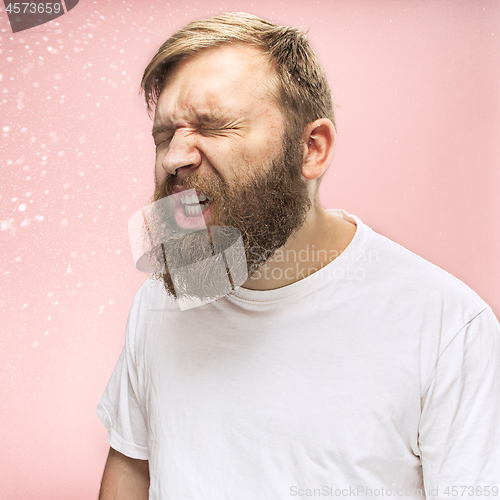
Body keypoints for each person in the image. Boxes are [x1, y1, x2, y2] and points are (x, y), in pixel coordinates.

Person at [96, 12, 500, 500]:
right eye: (165, 135)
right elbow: (131, 470)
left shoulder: (448, 325)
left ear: (312, 148)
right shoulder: (158, 304)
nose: (173, 158)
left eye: (214, 126)